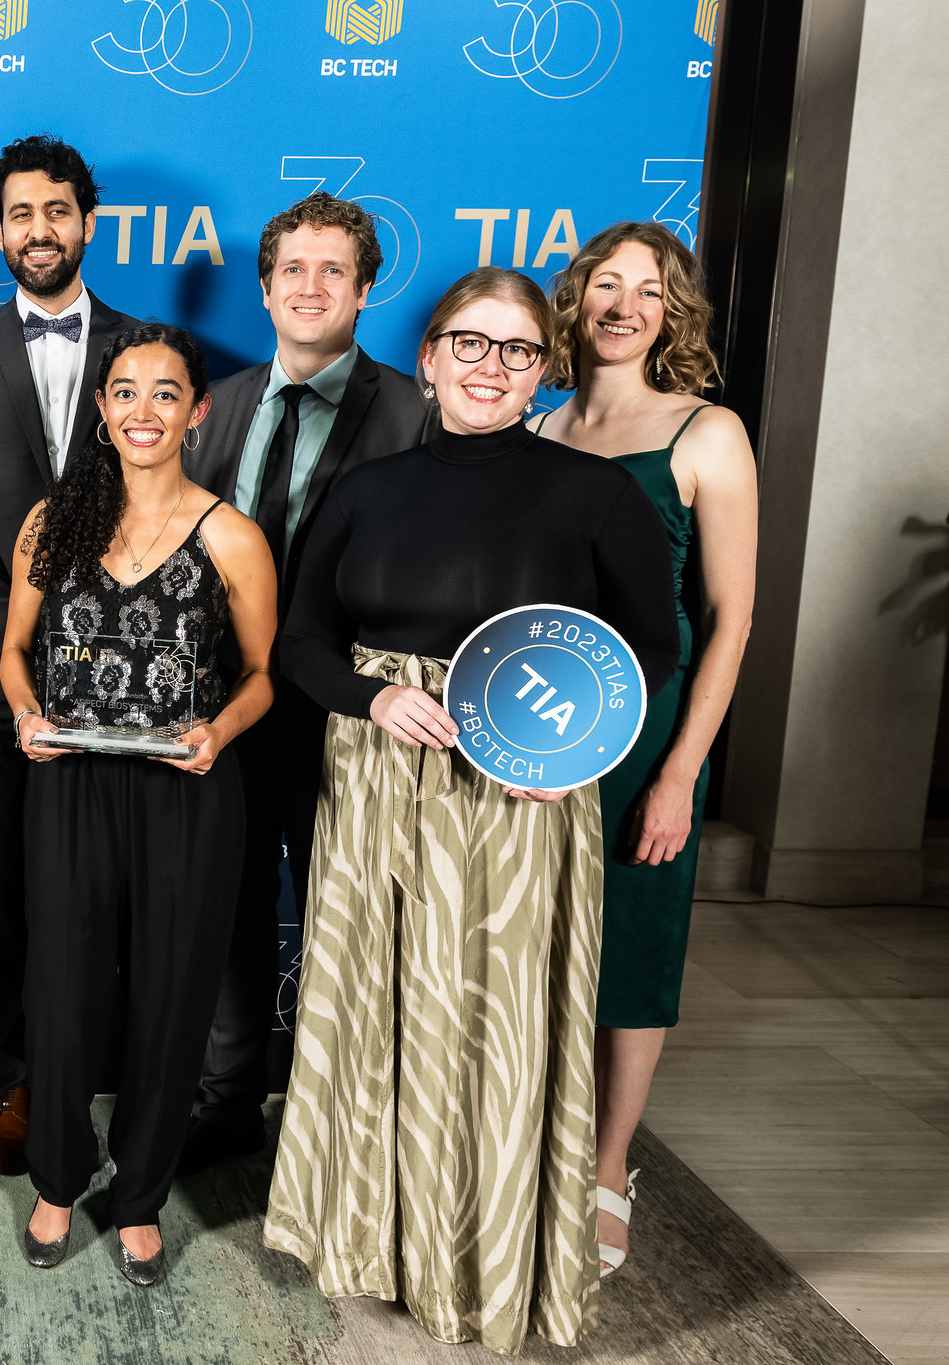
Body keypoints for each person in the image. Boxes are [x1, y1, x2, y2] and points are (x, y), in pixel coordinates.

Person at [262, 267, 680, 1353]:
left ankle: (482, 1263)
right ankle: (371, 1240)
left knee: (487, 1031)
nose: (488, 368)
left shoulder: (593, 495)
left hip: (519, 796)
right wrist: (370, 695)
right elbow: (297, 643)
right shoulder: (361, 491)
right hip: (373, 783)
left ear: (543, 369)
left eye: (516, 350)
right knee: (375, 1015)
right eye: (468, 344)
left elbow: (648, 649)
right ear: (429, 357)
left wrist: (571, 750)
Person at [1, 323, 277, 1286]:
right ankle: (57, 1176)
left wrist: (219, 733)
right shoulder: (53, 521)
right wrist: (28, 712)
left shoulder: (231, 534)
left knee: (172, 998)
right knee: (65, 993)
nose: (143, 410)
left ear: (198, 411)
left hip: (186, 792)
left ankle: (142, 1195)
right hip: (69, 783)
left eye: (167, 393)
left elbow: (261, 679)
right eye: (125, 392)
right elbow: (12, 653)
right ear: (101, 408)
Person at [178, 191, 432, 1171]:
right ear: (263, 286)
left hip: (354, 725)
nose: (310, 286)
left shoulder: (416, 414)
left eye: (333, 270)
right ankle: (223, 1104)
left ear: (365, 290)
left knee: (352, 925)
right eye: (292, 269)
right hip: (226, 717)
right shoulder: (215, 409)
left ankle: (335, 1127)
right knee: (230, 916)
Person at [535, 222, 758, 1276]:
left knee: (628, 944)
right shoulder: (532, 428)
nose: (623, 305)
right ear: (575, 302)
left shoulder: (704, 434)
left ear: (670, 313)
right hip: (539, 723)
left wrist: (678, 775)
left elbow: (729, 620)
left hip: (648, 732)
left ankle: (609, 1167)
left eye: (648, 291)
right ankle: (531, 1145)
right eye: (605, 286)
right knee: (534, 944)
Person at [0, 134, 139, 1174]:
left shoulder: (148, 352)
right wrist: (28, 636)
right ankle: (8, 1080)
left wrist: (89, 641)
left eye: (55, 211)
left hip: (123, 676)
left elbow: (166, 508)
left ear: (86, 222)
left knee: (102, 885)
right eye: (17, 215)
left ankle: (82, 1077)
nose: (37, 231)